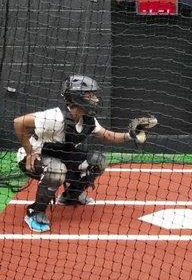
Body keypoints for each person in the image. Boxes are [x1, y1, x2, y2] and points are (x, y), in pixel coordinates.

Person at [14, 75, 157, 232]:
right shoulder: (55, 117)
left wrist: (130, 134)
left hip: (62, 156)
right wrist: (30, 153)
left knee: (98, 161)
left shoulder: (88, 120)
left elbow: (107, 135)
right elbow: (19, 122)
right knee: (57, 170)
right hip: (34, 158)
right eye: (90, 95)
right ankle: (35, 212)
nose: (95, 99)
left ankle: (70, 196)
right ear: (77, 96)